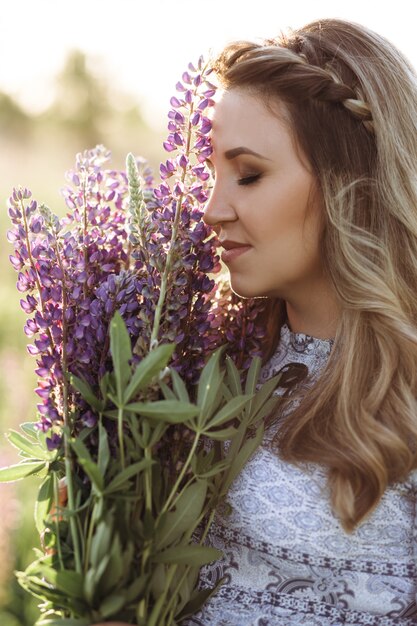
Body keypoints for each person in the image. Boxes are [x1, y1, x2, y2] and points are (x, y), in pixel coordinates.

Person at [92, 17, 417, 626]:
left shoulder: (406, 385)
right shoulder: (194, 359)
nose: (212, 210)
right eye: (211, 173)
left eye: (249, 174)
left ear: (354, 181)